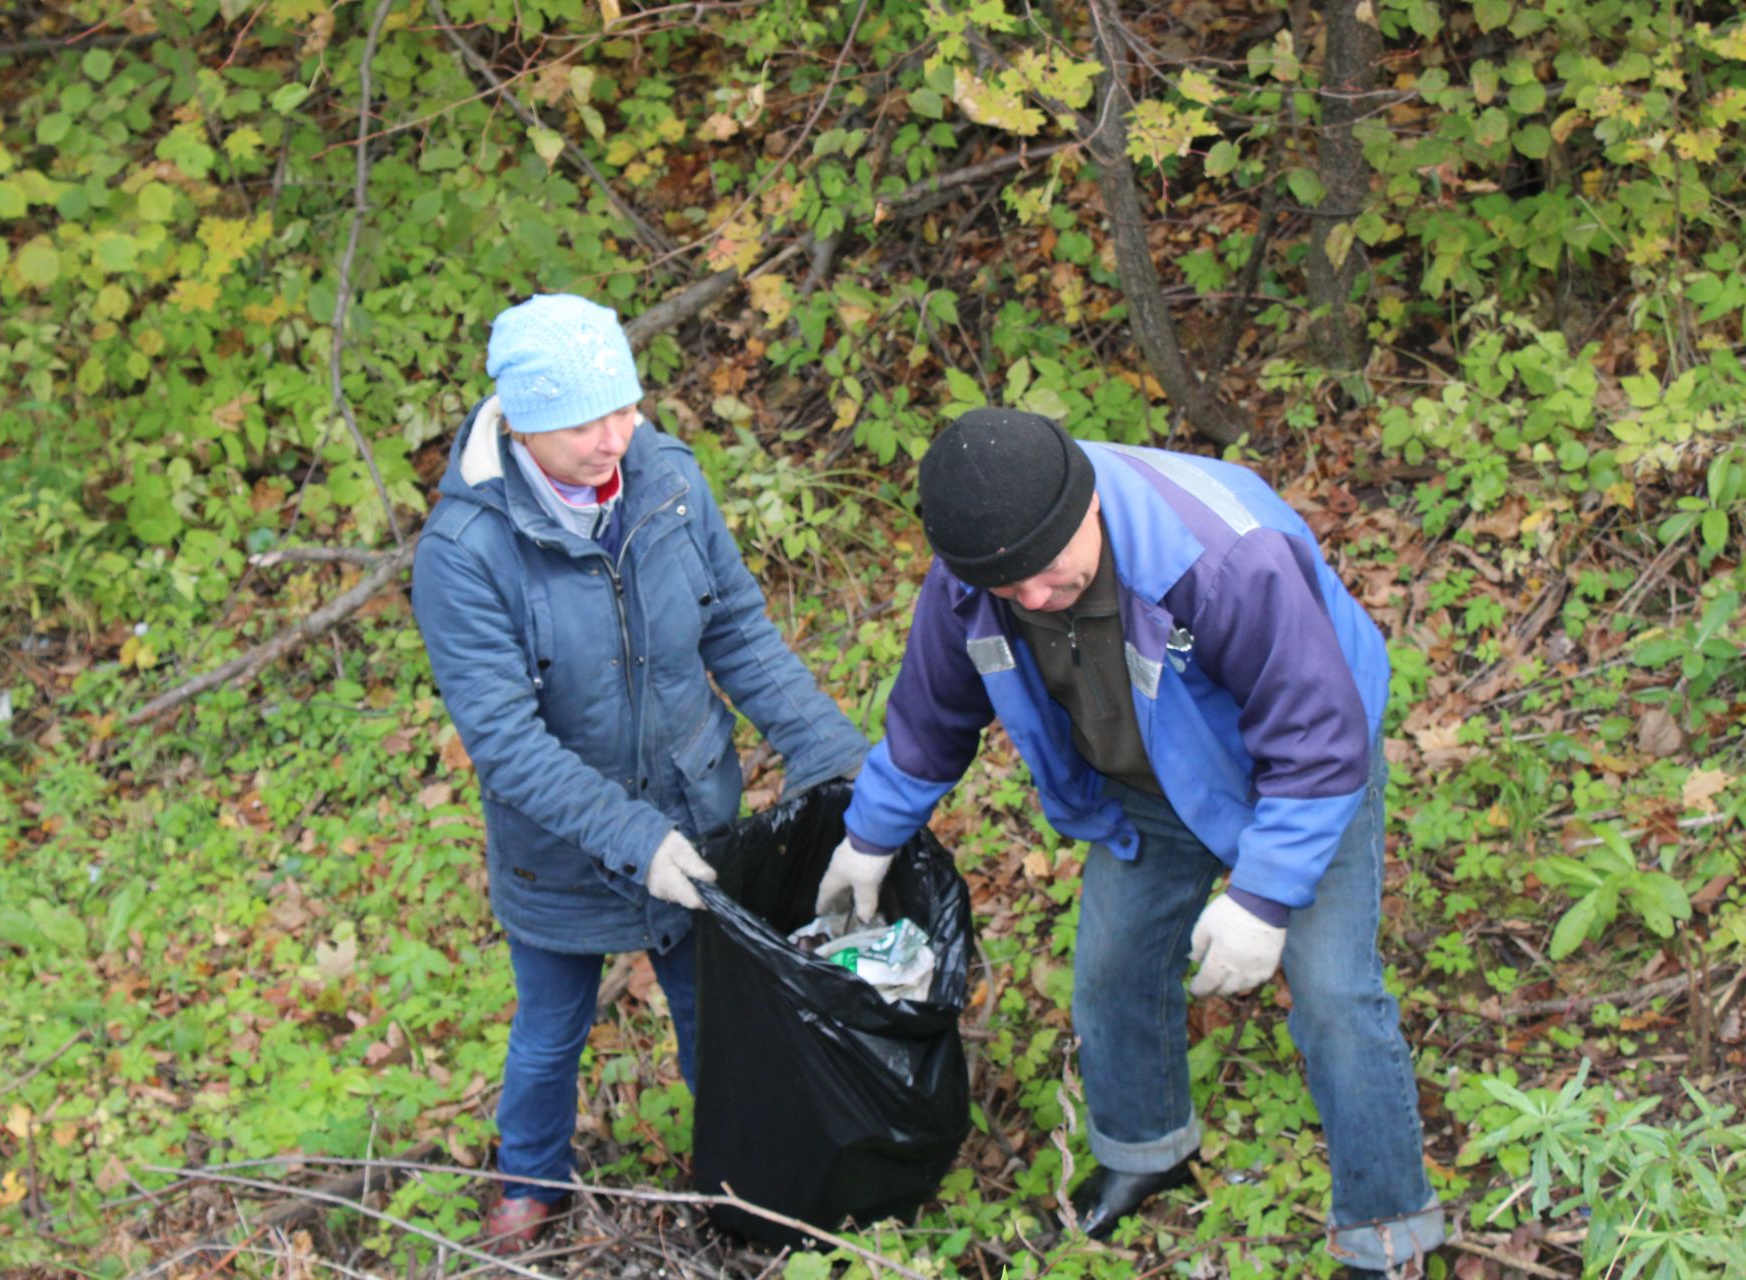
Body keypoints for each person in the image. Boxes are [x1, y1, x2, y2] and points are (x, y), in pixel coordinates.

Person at [814, 408, 1443, 1277]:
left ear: (1086, 504)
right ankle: (1148, 1151)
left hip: (1300, 773)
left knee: (1333, 993)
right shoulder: (978, 572)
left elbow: (1319, 743)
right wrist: (870, 836)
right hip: (1146, 780)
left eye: (1045, 571)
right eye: (1010, 587)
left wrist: (1262, 899)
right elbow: (932, 717)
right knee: (1112, 967)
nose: (1032, 597)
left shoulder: (1222, 559)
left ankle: (1388, 1232)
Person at [412, 294, 866, 1254]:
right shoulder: (465, 554)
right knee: (550, 1030)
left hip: (694, 812)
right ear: (524, 421)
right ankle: (532, 1180)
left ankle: (740, 1183)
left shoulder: (664, 479)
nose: (616, 436)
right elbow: (505, 741)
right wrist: (632, 839)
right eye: (585, 422)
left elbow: (736, 630)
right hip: (561, 850)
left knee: (718, 1018)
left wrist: (834, 755)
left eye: (625, 406)